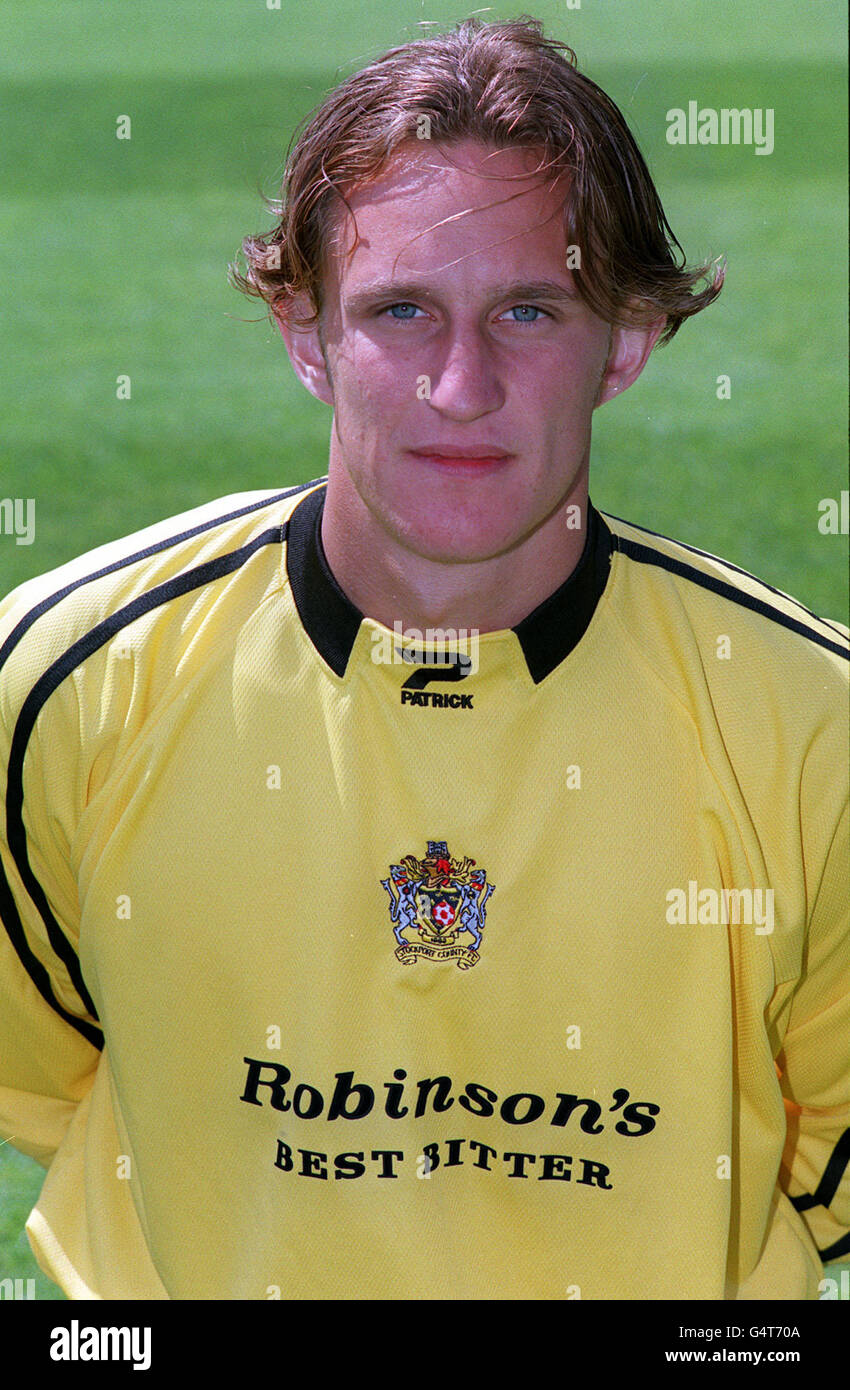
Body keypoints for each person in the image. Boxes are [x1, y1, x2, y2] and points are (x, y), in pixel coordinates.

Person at [0, 16, 847, 1301]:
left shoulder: (811, 725)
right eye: (400, 310)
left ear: (623, 340)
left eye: (526, 309)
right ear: (306, 335)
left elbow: (823, 1139)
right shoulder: (60, 680)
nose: (461, 383)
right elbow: (46, 1069)